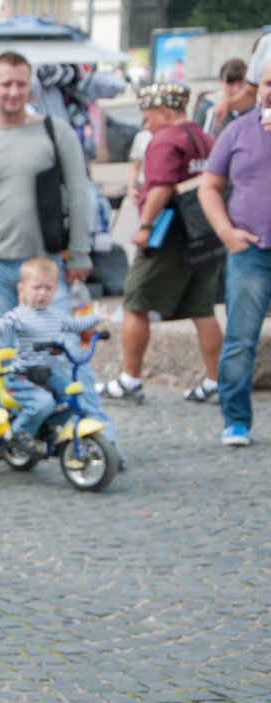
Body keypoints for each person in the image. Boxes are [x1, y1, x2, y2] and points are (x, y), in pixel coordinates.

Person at [0, 50, 115, 445]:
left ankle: (98, 437)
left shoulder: (55, 131)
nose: (13, 92)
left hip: (45, 268)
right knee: (1, 355)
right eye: (5, 84)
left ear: (31, 86)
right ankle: (14, 437)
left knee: (66, 352)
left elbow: (79, 195)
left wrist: (80, 254)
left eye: (20, 84)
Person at [97, 83, 222, 405]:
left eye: (148, 116)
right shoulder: (204, 137)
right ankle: (215, 382)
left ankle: (130, 380)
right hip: (203, 233)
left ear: (165, 113)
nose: (145, 124)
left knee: (135, 302)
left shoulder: (165, 139)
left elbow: (162, 188)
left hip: (168, 236)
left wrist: (145, 225)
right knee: (202, 309)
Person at [0, 257, 103, 453]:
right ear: (22, 289)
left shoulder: (55, 316)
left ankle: (50, 430)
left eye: (48, 288)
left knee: (74, 396)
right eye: (36, 287)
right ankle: (17, 433)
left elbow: (74, 325)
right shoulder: (19, 315)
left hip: (47, 374)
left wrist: (96, 318)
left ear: (55, 290)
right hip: (22, 377)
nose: (42, 293)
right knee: (44, 403)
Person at [198, 60, 271, 447]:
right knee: (241, 338)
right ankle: (236, 420)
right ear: (256, 87)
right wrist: (226, 232)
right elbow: (208, 186)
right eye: (268, 83)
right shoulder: (238, 130)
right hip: (251, 251)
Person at [193, 59, 253, 139]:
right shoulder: (208, 104)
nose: (236, 89)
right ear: (220, 81)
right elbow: (195, 136)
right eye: (230, 83)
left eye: (241, 83)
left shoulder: (251, 106)